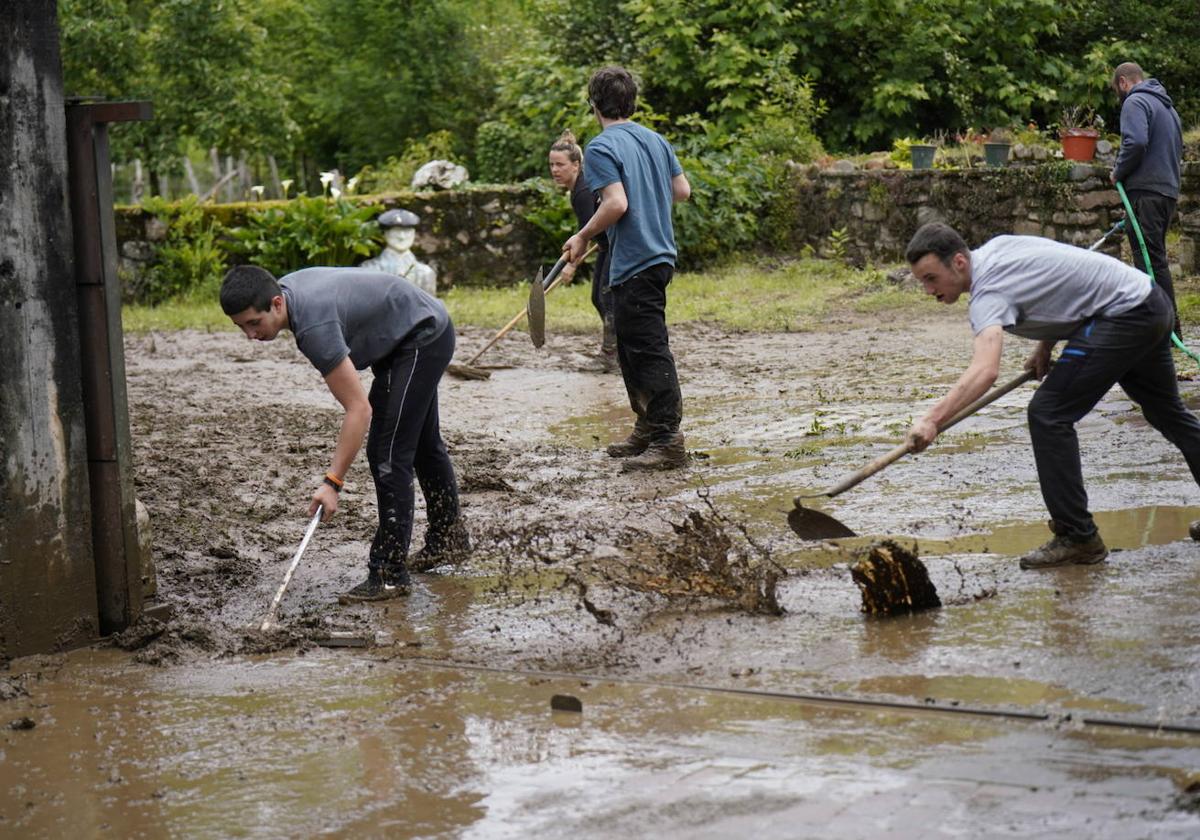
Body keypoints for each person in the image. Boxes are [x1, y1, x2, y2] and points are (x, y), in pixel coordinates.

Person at [904, 222, 1200, 569]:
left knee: (1048, 413)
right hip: (1148, 300)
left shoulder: (987, 294)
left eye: (930, 278)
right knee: (1167, 413)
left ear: (958, 262)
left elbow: (985, 371)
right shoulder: (999, 248)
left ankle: (1078, 537)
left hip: (1123, 315)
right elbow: (1060, 282)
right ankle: (1078, 534)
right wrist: (1045, 346)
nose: (927, 290)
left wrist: (932, 419)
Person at [219, 264, 469, 602]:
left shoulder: (314, 328)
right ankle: (447, 539)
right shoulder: (290, 297)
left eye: (254, 323)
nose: (251, 335)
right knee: (421, 444)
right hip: (408, 334)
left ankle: (389, 574)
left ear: (276, 303)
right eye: (241, 327)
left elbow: (359, 409)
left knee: (387, 453)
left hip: (421, 335)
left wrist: (332, 482)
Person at [562, 65, 692, 471]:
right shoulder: (655, 139)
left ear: (593, 105)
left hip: (636, 259)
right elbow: (682, 191)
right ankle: (647, 429)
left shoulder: (601, 148)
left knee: (648, 349)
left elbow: (616, 204)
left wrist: (583, 236)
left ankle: (669, 439)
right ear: (631, 102)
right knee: (631, 350)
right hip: (659, 256)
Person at [1110, 62, 1184, 329]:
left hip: (1146, 191)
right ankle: (1166, 325)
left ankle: (1162, 328)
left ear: (1122, 82)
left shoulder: (1135, 101)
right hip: (1167, 191)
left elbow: (1136, 142)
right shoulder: (1168, 108)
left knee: (1150, 260)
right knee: (1156, 258)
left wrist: (1118, 171)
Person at [548, 129, 616, 370]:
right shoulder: (579, 188)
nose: (555, 170)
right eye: (552, 165)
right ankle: (616, 350)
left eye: (560, 165)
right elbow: (589, 228)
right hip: (606, 245)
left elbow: (584, 233)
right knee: (599, 297)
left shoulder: (584, 191)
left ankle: (611, 355)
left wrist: (571, 266)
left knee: (606, 298)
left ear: (576, 165)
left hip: (617, 247)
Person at [360, 208, 437, 296]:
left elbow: (429, 307)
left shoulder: (425, 273)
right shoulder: (369, 269)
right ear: (385, 233)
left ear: (414, 233)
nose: (402, 237)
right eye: (396, 231)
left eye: (407, 231)